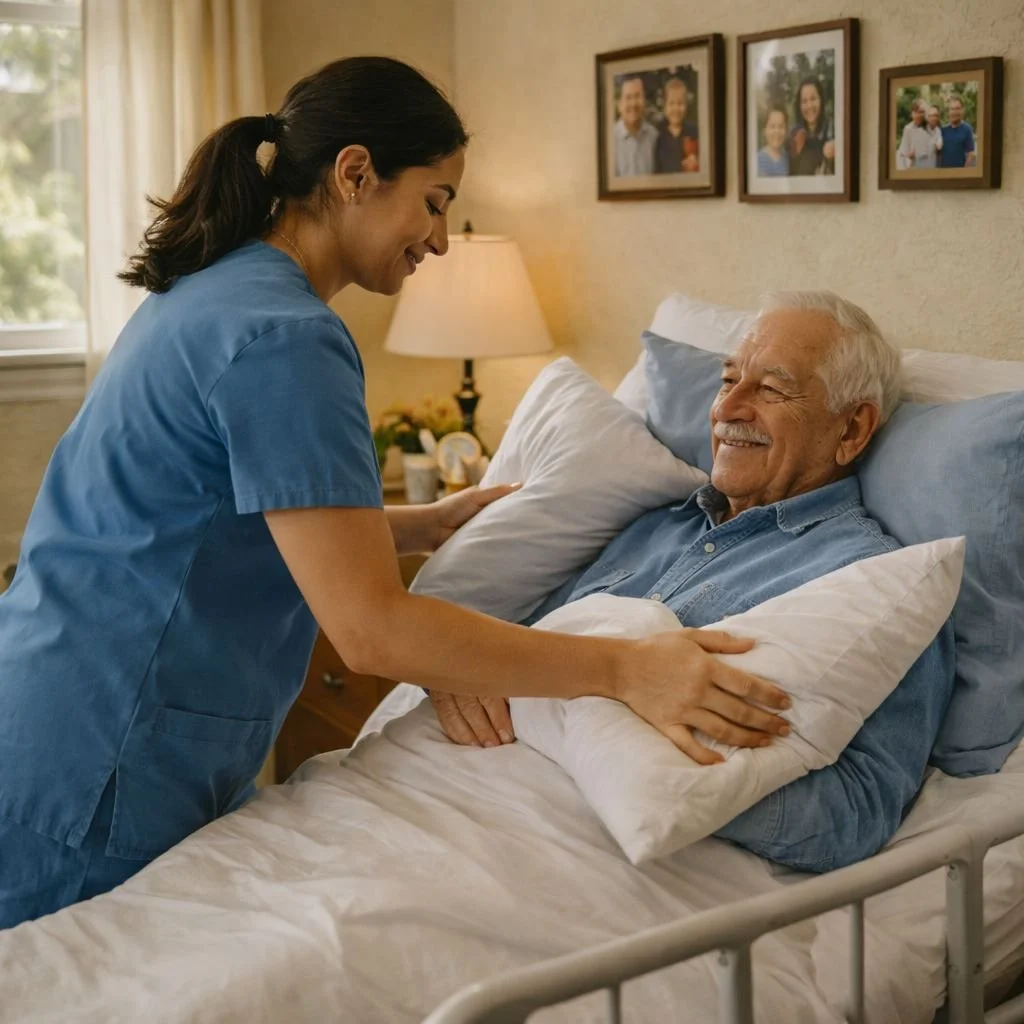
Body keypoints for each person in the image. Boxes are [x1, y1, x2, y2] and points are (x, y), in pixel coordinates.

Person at [0, 57, 791, 930]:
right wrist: (623, 669)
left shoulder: (214, 289)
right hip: (100, 755)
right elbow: (371, 629)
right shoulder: (289, 338)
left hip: (51, 698)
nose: (441, 239)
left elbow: (227, 506)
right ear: (353, 174)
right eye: (436, 200)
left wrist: (428, 523)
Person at [431, 291, 956, 874]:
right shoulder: (652, 518)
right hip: (459, 798)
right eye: (728, 379)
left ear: (852, 429)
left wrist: (656, 771)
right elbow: (539, 641)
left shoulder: (875, 583)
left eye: (771, 389)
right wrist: (468, 669)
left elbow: (856, 812)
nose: (728, 408)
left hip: (601, 861)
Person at [789, 77, 836, 176]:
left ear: (821, 100)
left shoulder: (834, 130)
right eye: (804, 101)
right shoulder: (794, 135)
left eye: (813, 99)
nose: (809, 105)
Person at [614, 75, 658, 177]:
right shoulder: (608, 141)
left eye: (637, 96)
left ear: (644, 101)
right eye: (628, 97)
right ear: (620, 104)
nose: (633, 103)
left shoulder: (654, 137)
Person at [654, 77, 699, 174]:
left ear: (686, 105)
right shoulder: (659, 137)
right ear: (664, 107)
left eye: (680, 103)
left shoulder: (695, 133)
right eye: (671, 103)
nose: (676, 109)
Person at [897, 99, 943, 169]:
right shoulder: (908, 129)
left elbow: (938, 135)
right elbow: (903, 153)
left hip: (930, 168)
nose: (921, 115)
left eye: (923, 112)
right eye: (919, 112)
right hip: (915, 169)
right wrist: (908, 156)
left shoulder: (931, 127)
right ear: (913, 113)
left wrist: (939, 142)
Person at [940, 94, 977, 168]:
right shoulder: (943, 130)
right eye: (952, 109)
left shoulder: (967, 129)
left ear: (962, 110)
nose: (955, 112)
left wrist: (964, 174)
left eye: (957, 108)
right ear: (948, 111)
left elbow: (971, 155)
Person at [757, 106, 790, 177]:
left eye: (781, 126)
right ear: (764, 131)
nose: (777, 131)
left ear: (786, 130)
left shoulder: (788, 158)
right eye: (772, 126)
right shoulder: (757, 161)